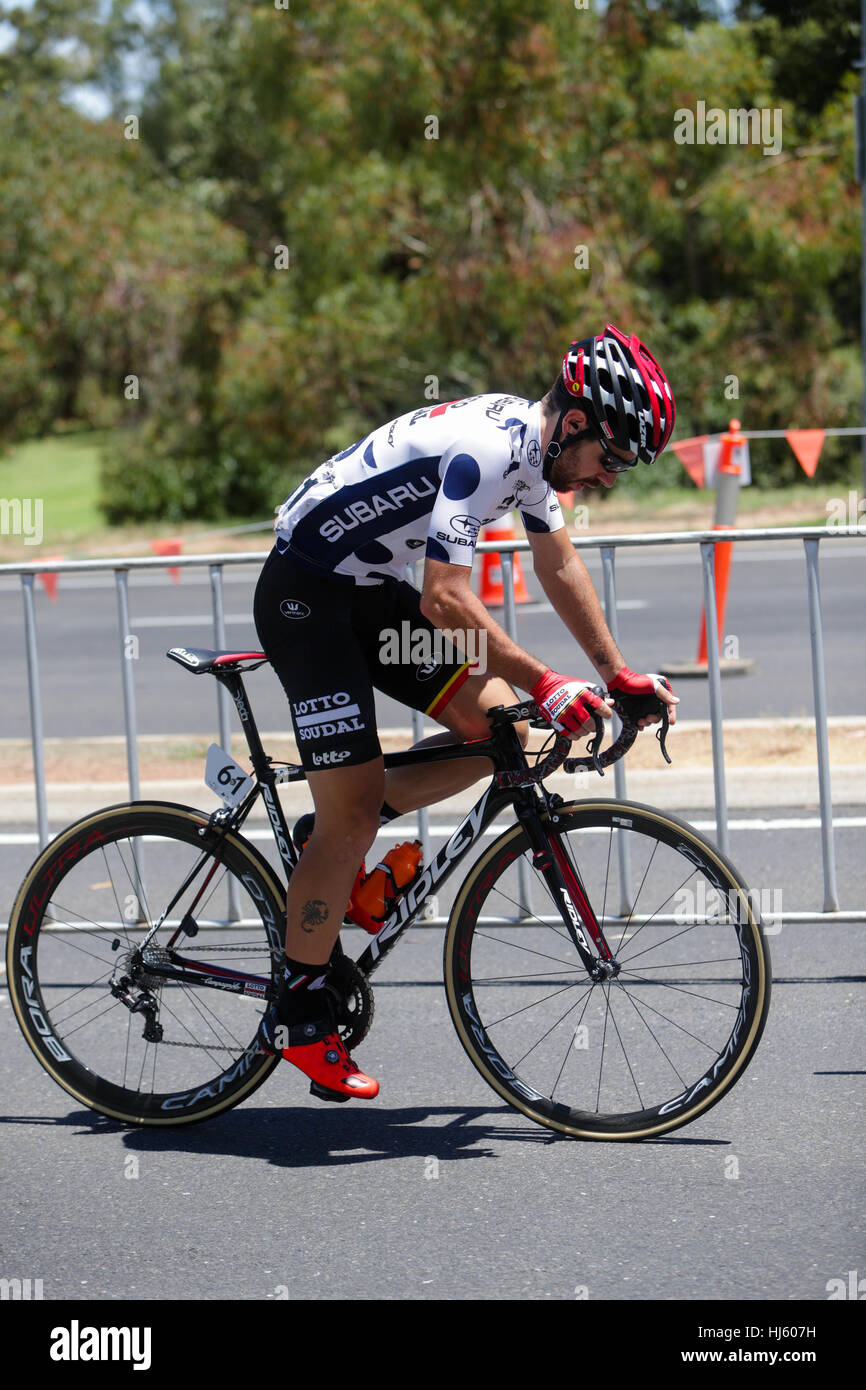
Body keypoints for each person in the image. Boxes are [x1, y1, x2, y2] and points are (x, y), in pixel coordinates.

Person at [253, 323, 679, 1100]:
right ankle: (300, 1010)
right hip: (306, 595)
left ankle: (334, 851)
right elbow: (446, 598)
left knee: (505, 731)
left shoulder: (533, 459)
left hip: (368, 592)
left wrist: (616, 678)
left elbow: (558, 563)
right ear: (577, 422)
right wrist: (549, 679)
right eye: (613, 457)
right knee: (353, 812)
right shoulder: (487, 450)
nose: (611, 476)